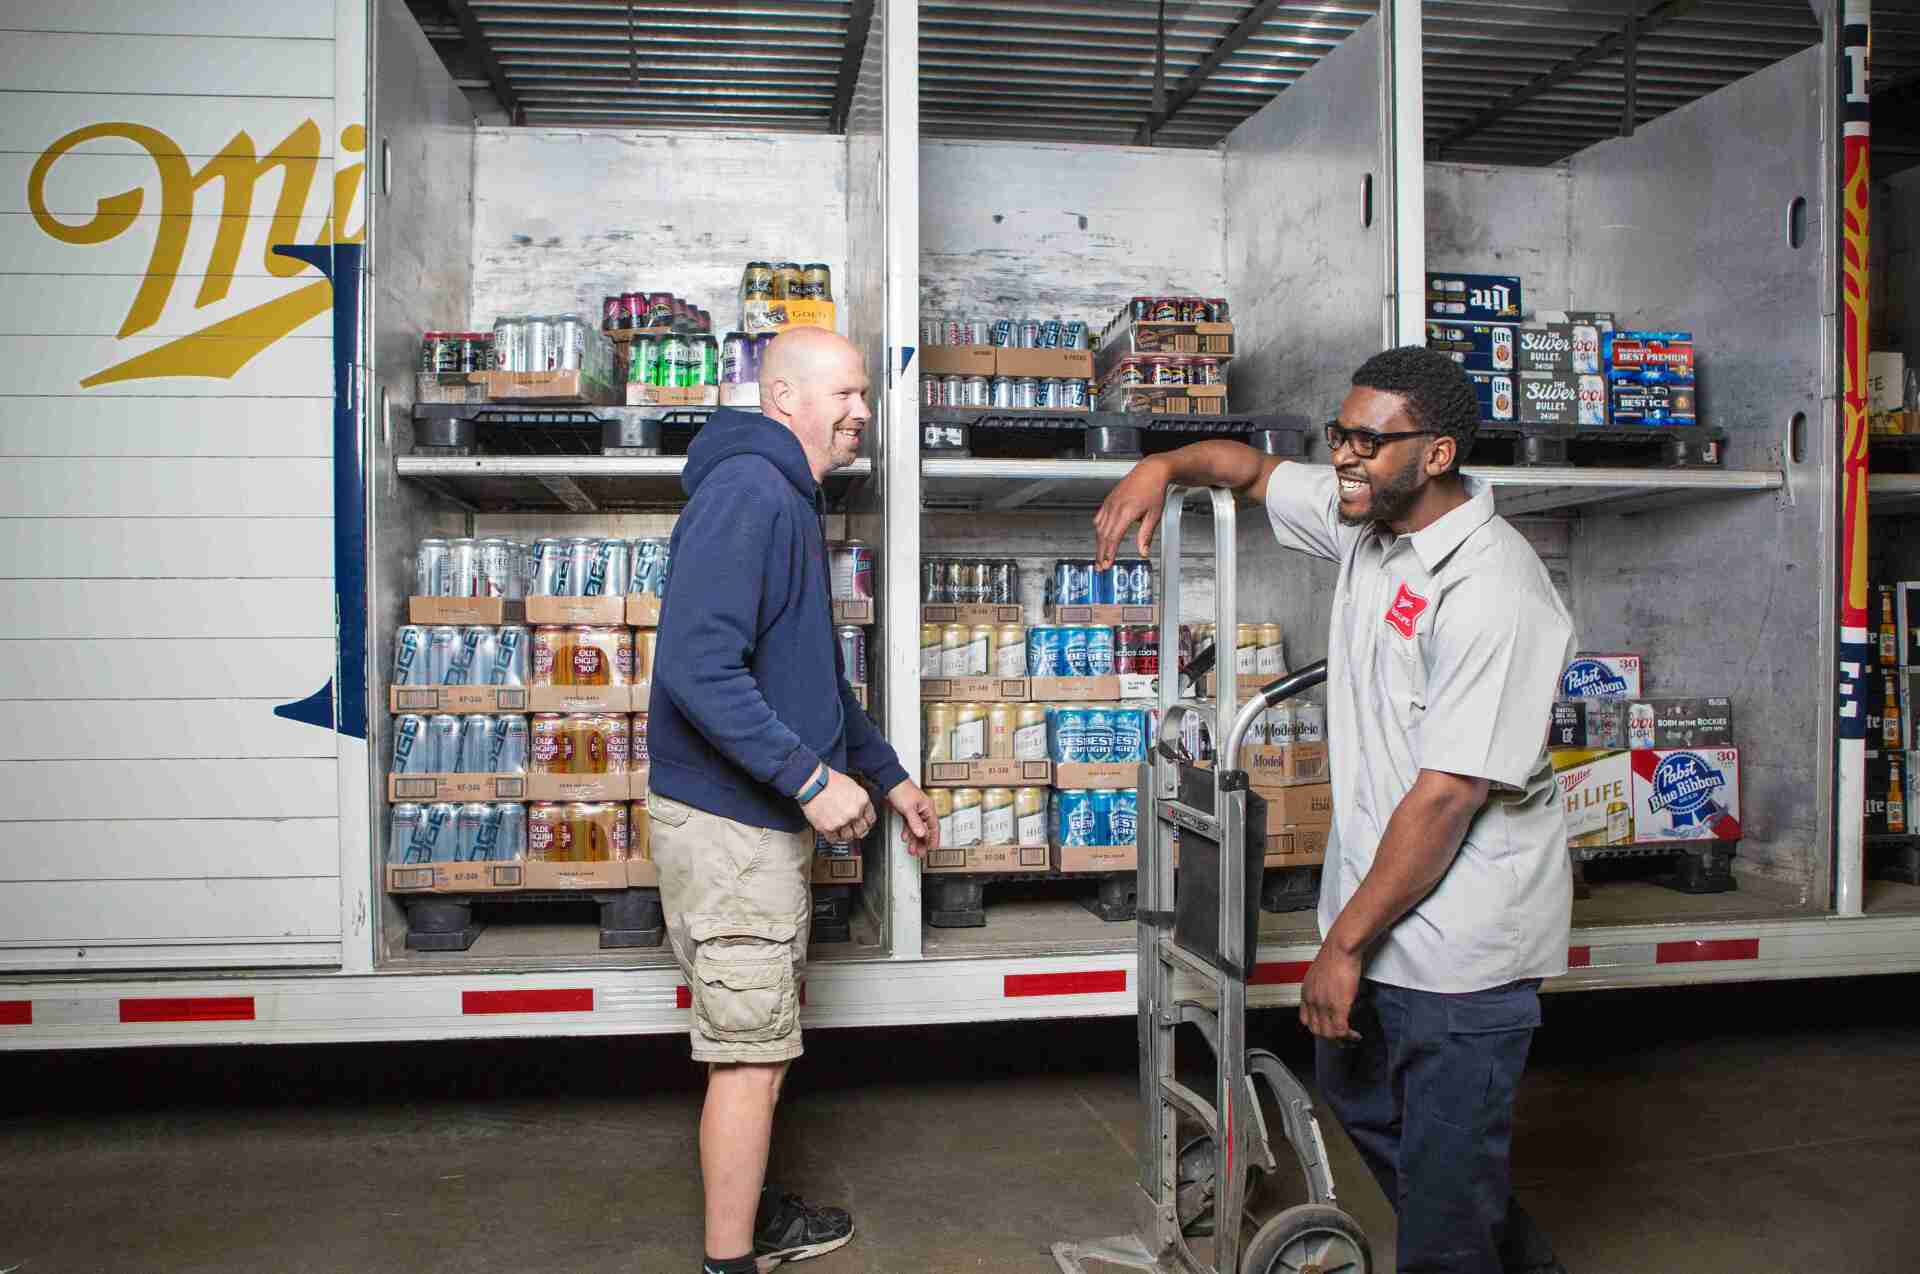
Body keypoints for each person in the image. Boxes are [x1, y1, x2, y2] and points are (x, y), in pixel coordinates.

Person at [1093, 346, 1572, 1274]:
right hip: (1385, 900)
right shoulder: (1369, 518)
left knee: (1442, 1200)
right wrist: (1161, 464)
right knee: (1365, 1102)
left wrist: (1340, 950)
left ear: (1435, 454)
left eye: (1367, 440)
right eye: (1339, 434)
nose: (1343, 456)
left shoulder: (1493, 591)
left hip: (1466, 944)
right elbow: (1254, 470)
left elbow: (1446, 797)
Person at [649, 326, 938, 1274]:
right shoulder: (751, 495)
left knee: (762, 1036)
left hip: (750, 825)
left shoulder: (781, 496)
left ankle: (749, 1216)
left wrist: (887, 776)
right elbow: (697, 667)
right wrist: (812, 781)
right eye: (845, 394)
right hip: (732, 829)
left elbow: (807, 678)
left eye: (864, 395)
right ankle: (729, 1262)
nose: (862, 412)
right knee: (750, 1056)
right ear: (783, 398)